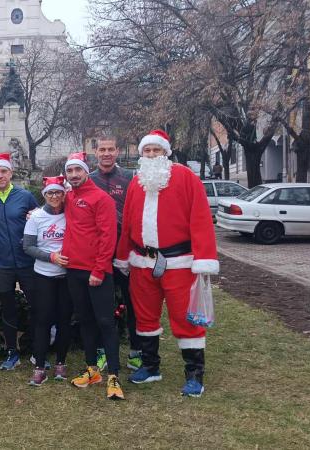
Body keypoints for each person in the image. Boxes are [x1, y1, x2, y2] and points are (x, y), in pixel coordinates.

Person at [115, 129, 218, 398]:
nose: (151, 155)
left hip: (179, 263)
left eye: (156, 150)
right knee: (144, 316)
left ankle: (194, 374)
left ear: (165, 152)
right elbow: (127, 223)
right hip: (142, 263)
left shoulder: (186, 178)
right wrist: (123, 255)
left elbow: (200, 219)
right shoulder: (137, 183)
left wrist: (204, 259)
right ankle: (150, 366)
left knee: (185, 318)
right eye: (146, 151)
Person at [63, 152, 125, 400]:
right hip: (74, 270)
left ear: (86, 172)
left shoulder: (101, 199)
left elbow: (108, 236)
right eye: (70, 171)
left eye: (78, 170)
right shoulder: (68, 197)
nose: (74, 175)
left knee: (105, 322)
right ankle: (92, 370)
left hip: (97, 272)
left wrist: (99, 270)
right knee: (85, 320)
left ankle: (113, 375)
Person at [89, 136, 142, 371]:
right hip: (100, 254)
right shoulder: (88, 180)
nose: (107, 153)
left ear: (118, 151)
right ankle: (101, 350)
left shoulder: (130, 178)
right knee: (101, 307)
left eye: (111, 149)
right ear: (96, 153)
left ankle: (136, 350)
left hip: (127, 252)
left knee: (133, 303)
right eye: (102, 149)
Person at [0, 153, 39, 371]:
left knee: (36, 304)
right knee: (7, 308)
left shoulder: (25, 196)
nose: (0, 176)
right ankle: (11, 351)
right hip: (2, 263)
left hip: (27, 262)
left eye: (3, 171)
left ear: (10, 173)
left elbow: (39, 220)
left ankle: (36, 346)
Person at [23, 176, 72, 386]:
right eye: (50, 193)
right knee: (42, 320)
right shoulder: (36, 217)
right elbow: (28, 247)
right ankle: (40, 366)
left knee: (65, 320)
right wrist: (50, 257)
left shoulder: (71, 214)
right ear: (44, 195)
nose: (54, 196)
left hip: (67, 275)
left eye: (58, 192)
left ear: (64, 194)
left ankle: (61, 362)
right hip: (43, 274)